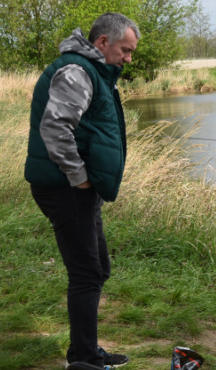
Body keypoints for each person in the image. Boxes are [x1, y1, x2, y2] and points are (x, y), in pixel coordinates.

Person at [24, 12, 140, 369]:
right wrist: (80, 178)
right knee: (87, 273)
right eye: (125, 50)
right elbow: (56, 130)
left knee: (98, 267)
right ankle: (84, 361)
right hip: (64, 187)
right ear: (103, 42)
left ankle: (84, 351)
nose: (128, 58)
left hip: (77, 188)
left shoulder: (95, 71)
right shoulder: (77, 72)